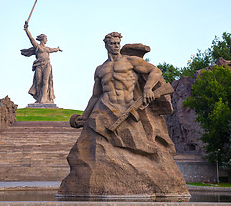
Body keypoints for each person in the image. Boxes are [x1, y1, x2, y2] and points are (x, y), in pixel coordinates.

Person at [58, 32, 189, 198]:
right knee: (85, 146)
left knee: (139, 143)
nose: (115, 46)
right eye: (112, 43)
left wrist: (148, 88)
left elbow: (155, 71)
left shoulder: (130, 61)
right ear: (106, 45)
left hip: (127, 108)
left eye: (118, 43)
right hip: (104, 108)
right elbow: (95, 96)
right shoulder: (100, 69)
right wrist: (84, 116)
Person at [21, 22, 62, 104]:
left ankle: (44, 99)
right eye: (46, 38)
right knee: (38, 82)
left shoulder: (47, 49)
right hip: (39, 65)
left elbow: (54, 49)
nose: (47, 40)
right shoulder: (38, 47)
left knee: (45, 81)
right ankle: (39, 98)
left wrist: (58, 49)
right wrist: (26, 30)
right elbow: (31, 38)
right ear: (42, 39)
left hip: (47, 65)